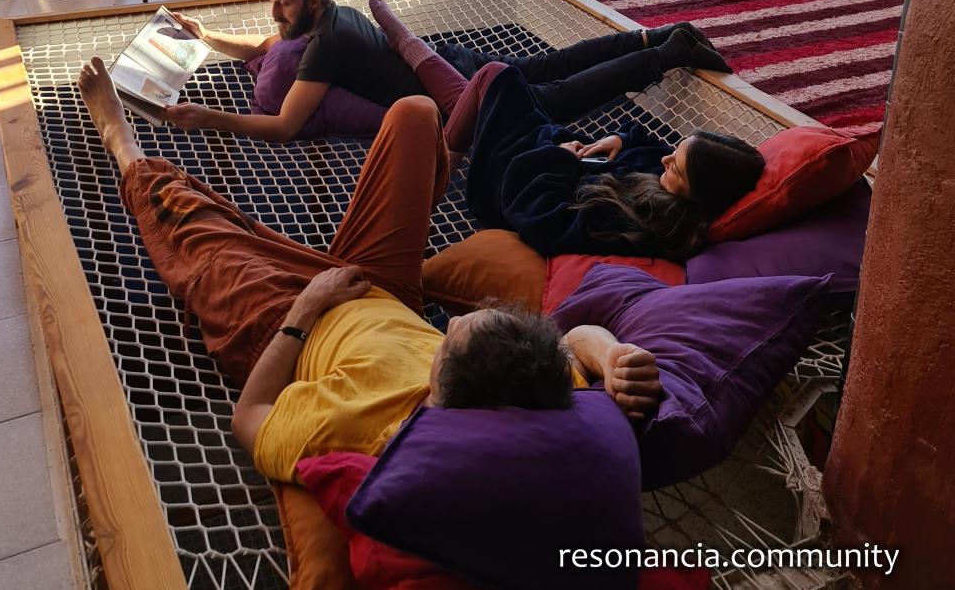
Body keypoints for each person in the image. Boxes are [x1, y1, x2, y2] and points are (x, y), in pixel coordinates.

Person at [77, 58, 663, 495]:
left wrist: (306, 311)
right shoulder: (528, 388)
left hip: (286, 321)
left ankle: (120, 142)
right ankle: (401, 209)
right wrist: (611, 355)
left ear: (439, 387)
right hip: (378, 287)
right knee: (416, 113)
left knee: (191, 226)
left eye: (451, 333)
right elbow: (572, 341)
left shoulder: (359, 428)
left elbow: (249, 420)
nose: (449, 320)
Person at [162, 0, 728, 144]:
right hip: (446, 59)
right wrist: (205, 36)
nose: (274, 14)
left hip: (457, 95)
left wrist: (207, 118)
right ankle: (653, 36)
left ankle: (668, 53)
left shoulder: (322, 49)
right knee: (549, 66)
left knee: (557, 98)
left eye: (282, 5)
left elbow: (286, 126)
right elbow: (265, 43)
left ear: (311, 2)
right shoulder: (332, 16)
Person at [368, 0, 764, 262]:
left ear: (697, 194)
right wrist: (620, 138)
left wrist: (559, 158)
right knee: (505, 79)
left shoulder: (642, 222)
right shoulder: (668, 175)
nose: (665, 159)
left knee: (500, 80)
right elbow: (647, 143)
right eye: (675, 150)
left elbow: (538, 215)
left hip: (513, 183)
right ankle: (419, 56)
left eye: (675, 166)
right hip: (543, 152)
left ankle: (435, 168)